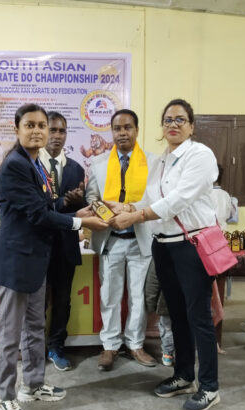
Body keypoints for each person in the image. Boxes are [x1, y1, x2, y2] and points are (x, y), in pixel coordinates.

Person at [0, 103, 107, 410]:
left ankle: (33, 384)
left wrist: (76, 212)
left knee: (35, 326)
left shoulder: (35, 163)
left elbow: (47, 205)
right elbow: (37, 215)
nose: (38, 131)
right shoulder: (14, 165)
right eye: (31, 125)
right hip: (14, 261)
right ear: (17, 129)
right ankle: (4, 396)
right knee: (10, 334)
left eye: (42, 125)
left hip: (36, 260)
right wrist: (80, 224)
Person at [108, 99, 220, 410]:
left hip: (190, 245)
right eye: (168, 119)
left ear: (191, 126)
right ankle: (184, 375)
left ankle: (209, 386)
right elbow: (150, 198)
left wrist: (136, 216)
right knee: (176, 315)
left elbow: (178, 200)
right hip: (163, 246)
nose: (173, 124)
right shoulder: (161, 161)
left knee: (199, 317)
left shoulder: (200, 155)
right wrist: (125, 207)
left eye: (180, 119)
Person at [86, 109, 157, 371]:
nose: (122, 133)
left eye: (128, 127)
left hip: (141, 240)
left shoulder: (153, 162)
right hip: (110, 239)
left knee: (138, 297)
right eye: (117, 128)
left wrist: (129, 210)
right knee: (110, 296)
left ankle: (136, 344)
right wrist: (108, 215)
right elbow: (92, 197)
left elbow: (156, 199)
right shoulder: (99, 163)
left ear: (137, 130)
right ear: (112, 132)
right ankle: (110, 345)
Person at [39, 111, 85, 371]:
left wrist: (79, 200)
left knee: (62, 301)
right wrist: (64, 202)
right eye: (52, 130)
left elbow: (81, 209)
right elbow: (36, 209)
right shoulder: (31, 165)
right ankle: (34, 348)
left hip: (65, 245)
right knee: (36, 302)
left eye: (61, 131)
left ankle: (56, 346)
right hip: (38, 246)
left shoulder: (76, 168)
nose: (57, 136)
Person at [144, 259, 174, 366]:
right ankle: (169, 352)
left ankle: (168, 352)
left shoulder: (164, 251)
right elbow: (153, 278)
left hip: (170, 299)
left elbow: (153, 279)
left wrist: (150, 301)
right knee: (168, 326)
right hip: (170, 299)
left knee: (167, 327)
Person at [211, 164, 233, 230]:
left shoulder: (207, 194)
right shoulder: (226, 194)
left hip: (209, 231)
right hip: (223, 230)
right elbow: (229, 215)